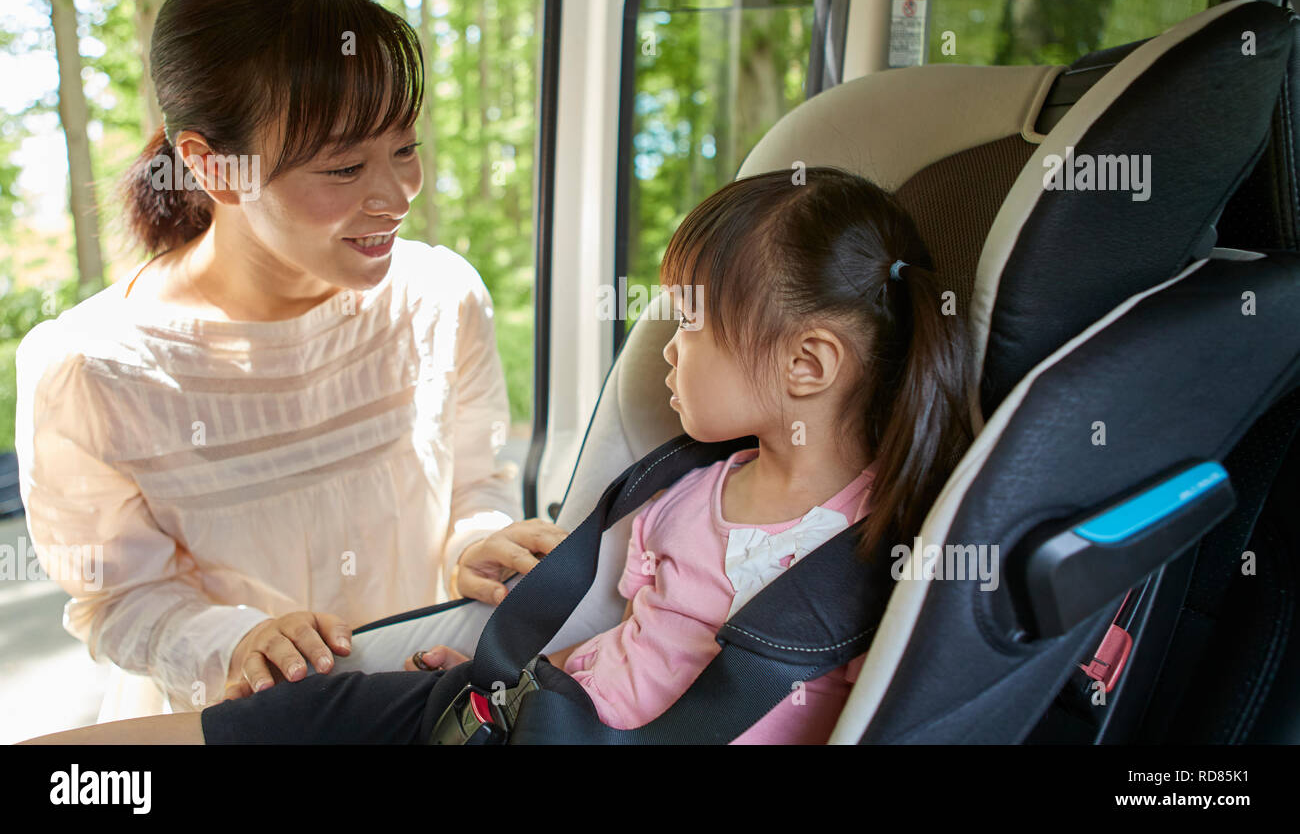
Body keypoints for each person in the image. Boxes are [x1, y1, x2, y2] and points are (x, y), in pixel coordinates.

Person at [20, 165, 973, 745]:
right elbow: (633, 645)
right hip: (537, 712)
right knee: (296, 719)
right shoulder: (683, 495)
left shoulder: (893, 549)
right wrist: (511, 679)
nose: (666, 349)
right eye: (345, 166)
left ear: (808, 364)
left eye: (689, 325)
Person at [12, 0, 565, 724]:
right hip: (235, 730)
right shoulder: (92, 370)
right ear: (213, 167)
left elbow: (475, 483)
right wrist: (239, 642)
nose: (395, 196)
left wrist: (478, 544)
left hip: (416, 709)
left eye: (405, 149)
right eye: (343, 169)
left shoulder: (440, 298)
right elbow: (120, 602)